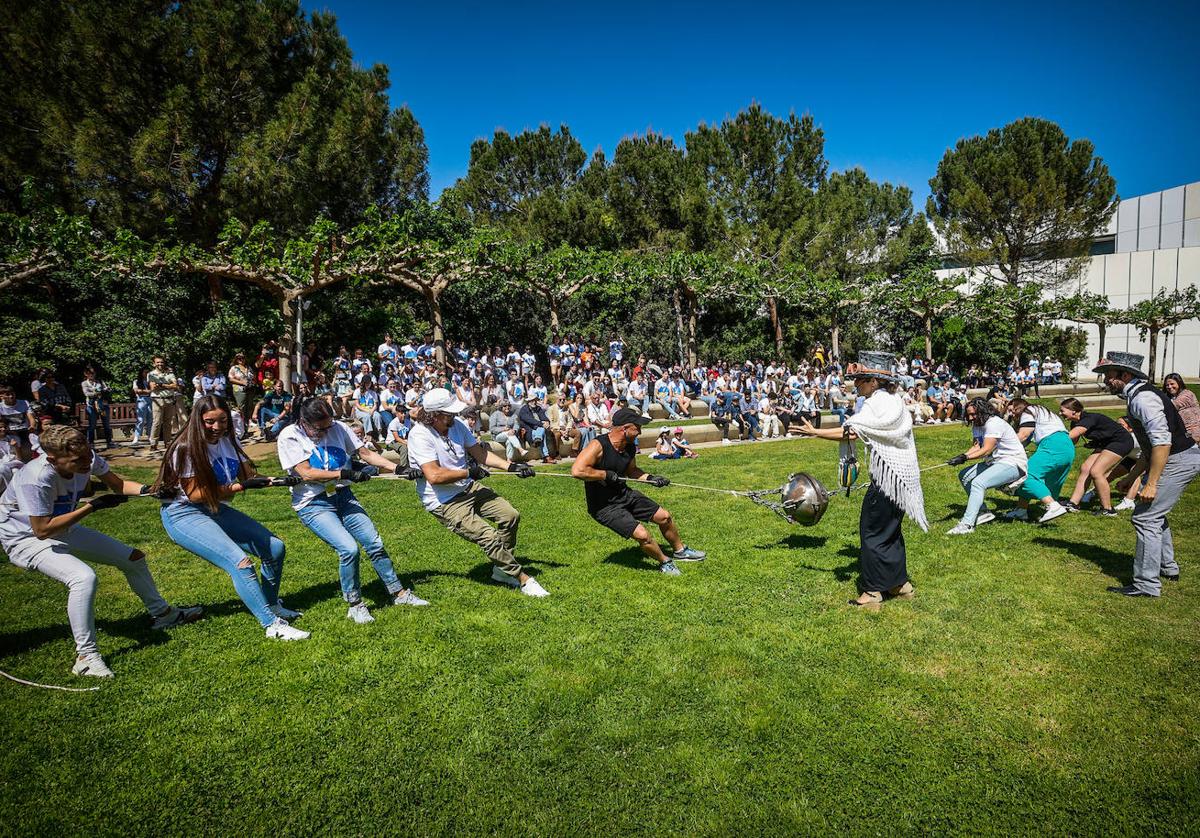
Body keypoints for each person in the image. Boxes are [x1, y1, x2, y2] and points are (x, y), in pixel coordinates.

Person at [0, 425, 202, 677]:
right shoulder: (37, 478)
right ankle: (85, 657)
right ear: (52, 459)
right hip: (24, 537)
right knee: (83, 578)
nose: (87, 463)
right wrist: (92, 507)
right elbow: (42, 530)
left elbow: (118, 484)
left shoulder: (87, 457)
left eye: (88, 455)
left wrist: (150, 490)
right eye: (78, 461)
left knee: (133, 558)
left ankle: (163, 614)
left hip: (61, 526)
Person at [155, 395, 309, 640]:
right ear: (197, 420)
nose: (217, 427)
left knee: (275, 549)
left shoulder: (227, 440)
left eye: (222, 421)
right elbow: (196, 495)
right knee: (240, 563)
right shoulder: (185, 448)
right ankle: (272, 625)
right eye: (209, 422)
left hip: (215, 508)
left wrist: (274, 480)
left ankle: (271, 604)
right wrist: (241, 487)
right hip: (183, 514)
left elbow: (247, 472)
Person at [277, 399, 428, 623]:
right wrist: (344, 474)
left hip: (343, 496)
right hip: (313, 503)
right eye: (321, 428)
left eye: (329, 425)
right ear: (304, 422)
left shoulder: (339, 427)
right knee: (349, 549)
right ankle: (355, 604)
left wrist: (398, 468)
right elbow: (306, 473)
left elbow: (365, 454)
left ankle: (399, 593)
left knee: (374, 543)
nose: (327, 431)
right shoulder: (289, 435)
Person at [798, 352, 926, 610]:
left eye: (861, 379)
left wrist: (815, 432)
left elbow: (852, 432)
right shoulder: (895, 401)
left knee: (872, 532)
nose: (856, 385)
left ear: (875, 382)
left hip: (889, 479)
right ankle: (899, 585)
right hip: (903, 479)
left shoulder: (877, 403)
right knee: (890, 532)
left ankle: (872, 593)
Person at [407, 389, 546, 596]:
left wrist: (511, 467)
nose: (454, 417)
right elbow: (434, 475)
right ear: (434, 415)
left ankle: (501, 570)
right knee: (489, 536)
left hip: (468, 487)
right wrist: (468, 472)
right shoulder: (419, 435)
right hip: (444, 500)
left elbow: (480, 454)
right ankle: (522, 579)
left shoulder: (457, 426)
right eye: (449, 414)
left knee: (510, 516)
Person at [1095, 352, 1200, 597]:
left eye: (1109, 376)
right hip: (1177, 458)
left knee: (1146, 518)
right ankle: (1168, 567)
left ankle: (1146, 585)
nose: (1106, 381)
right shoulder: (1138, 395)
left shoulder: (1143, 399)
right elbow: (1149, 447)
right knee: (1155, 515)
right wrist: (1132, 478)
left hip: (1178, 460)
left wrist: (1151, 483)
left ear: (1125, 374)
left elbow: (1162, 443)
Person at [571, 407, 705, 575]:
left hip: (624, 494)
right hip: (604, 506)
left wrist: (651, 478)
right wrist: (604, 474)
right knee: (642, 535)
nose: (640, 432)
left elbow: (632, 471)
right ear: (624, 428)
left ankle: (680, 551)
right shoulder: (598, 445)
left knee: (664, 517)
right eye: (637, 428)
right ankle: (665, 562)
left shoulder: (629, 447)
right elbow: (577, 470)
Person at [946, 398, 1029, 535]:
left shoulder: (993, 423)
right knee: (964, 475)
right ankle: (983, 512)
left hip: (1013, 463)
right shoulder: (978, 425)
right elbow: (977, 446)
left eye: (974, 414)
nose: (971, 418)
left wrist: (965, 458)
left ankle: (967, 524)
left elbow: (986, 450)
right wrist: (961, 456)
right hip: (996, 462)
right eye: (969, 415)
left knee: (978, 483)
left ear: (983, 411)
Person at [1002, 398, 1072, 522]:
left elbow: (1023, 434)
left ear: (1019, 406)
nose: (1012, 414)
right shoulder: (1041, 413)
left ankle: (1053, 506)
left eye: (1012, 410)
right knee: (1049, 480)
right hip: (1067, 446)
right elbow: (1025, 441)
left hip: (1052, 445)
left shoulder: (1028, 411)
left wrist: (1001, 448)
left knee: (1026, 476)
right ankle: (1021, 510)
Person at [1059, 398, 1132, 514]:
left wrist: (1050, 440)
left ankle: (1108, 509)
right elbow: (1073, 440)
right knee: (1085, 468)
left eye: (1062, 411)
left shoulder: (1088, 419)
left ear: (1073, 411)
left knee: (1096, 471)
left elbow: (1070, 435)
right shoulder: (1075, 422)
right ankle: (1073, 503)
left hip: (1121, 441)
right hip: (1105, 443)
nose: (1060, 414)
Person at [147, 356, 180, 453]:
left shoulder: (170, 373)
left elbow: (175, 385)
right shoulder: (151, 374)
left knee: (168, 422)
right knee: (156, 422)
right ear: (154, 363)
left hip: (169, 399)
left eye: (161, 362)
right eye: (157, 362)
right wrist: (168, 386)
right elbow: (153, 387)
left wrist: (162, 385)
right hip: (157, 400)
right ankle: (153, 443)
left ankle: (167, 442)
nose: (160, 364)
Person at [516, 393, 558, 464]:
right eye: (532, 400)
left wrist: (547, 422)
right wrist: (542, 424)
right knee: (542, 430)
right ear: (528, 402)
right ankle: (546, 457)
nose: (534, 402)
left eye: (535, 400)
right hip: (530, 431)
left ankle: (538, 440)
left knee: (542, 431)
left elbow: (544, 417)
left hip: (539, 430)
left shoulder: (538, 408)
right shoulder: (523, 410)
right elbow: (529, 420)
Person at [80, 367, 113, 449]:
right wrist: (97, 392)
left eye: (93, 373)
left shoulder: (100, 382)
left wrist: (107, 390)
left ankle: (109, 442)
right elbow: (86, 393)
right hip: (91, 407)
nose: (91, 375)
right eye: (89, 373)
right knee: (92, 425)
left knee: (106, 424)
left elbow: (106, 390)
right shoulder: (84, 383)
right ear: (86, 374)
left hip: (102, 407)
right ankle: (90, 443)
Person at [1163, 373, 1200, 444]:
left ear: (1179, 383)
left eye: (1172, 384)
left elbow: (1171, 408)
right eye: (1167, 385)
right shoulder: (1174, 397)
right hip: (1184, 433)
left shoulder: (1186, 395)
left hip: (1193, 433)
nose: (1169, 387)